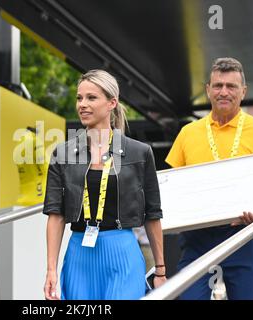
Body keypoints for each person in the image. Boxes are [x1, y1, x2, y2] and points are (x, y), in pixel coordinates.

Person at [166, 57, 253, 300]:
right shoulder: (188, 132)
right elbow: (173, 185)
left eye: (231, 86)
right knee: (188, 297)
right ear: (208, 90)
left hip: (244, 234)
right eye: (218, 85)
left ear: (243, 91)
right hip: (197, 238)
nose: (224, 92)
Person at [43, 69, 166, 300]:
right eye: (79, 98)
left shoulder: (139, 152)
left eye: (91, 98)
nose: (82, 104)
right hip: (79, 254)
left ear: (112, 103)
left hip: (122, 251)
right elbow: (55, 214)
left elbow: (152, 213)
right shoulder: (63, 153)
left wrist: (160, 269)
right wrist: (51, 269)